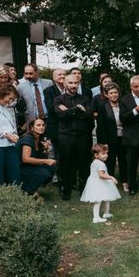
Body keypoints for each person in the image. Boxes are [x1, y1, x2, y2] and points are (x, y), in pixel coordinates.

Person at [54, 72, 94, 200]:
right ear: (65, 84)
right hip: (66, 137)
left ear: (79, 84)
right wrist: (78, 109)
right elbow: (61, 115)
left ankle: (85, 190)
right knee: (66, 163)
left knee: (84, 164)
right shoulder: (58, 99)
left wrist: (69, 110)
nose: (73, 85)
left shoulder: (85, 99)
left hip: (83, 136)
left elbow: (89, 116)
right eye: (70, 83)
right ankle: (65, 190)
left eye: (75, 83)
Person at [94, 83, 128, 190]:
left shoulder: (123, 105)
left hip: (123, 137)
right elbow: (101, 127)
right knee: (110, 161)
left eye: (115, 92)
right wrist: (104, 143)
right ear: (107, 94)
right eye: (111, 93)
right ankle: (110, 182)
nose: (114, 95)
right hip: (109, 138)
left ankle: (125, 182)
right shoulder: (103, 107)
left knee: (124, 160)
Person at [80, 144, 121, 223]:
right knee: (98, 200)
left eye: (106, 153)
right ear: (96, 155)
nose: (106, 155)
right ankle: (96, 218)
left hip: (95, 182)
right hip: (99, 183)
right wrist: (111, 177)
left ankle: (106, 213)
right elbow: (101, 175)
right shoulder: (101, 164)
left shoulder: (94, 162)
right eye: (103, 153)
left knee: (106, 198)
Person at [17, 118, 56, 197]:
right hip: (21, 168)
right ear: (31, 127)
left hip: (30, 166)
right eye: (38, 125)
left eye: (43, 125)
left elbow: (38, 157)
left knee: (51, 168)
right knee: (44, 172)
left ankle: (32, 189)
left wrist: (45, 149)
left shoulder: (39, 139)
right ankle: (27, 191)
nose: (41, 127)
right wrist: (45, 161)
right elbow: (26, 159)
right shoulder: (28, 138)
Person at [0, 84, 21, 186]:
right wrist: (7, 135)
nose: (11, 101)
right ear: (2, 94)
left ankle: (15, 197)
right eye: (10, 98)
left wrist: (14, 135)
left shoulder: (5, 108)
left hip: (9, 146)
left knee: (14, 174)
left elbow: (10, 126)